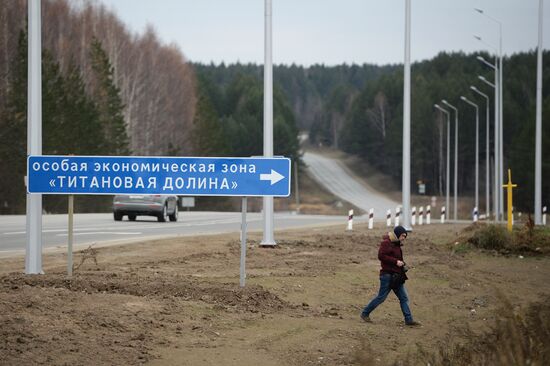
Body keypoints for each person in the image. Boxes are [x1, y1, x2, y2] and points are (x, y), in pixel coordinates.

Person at [360, 225, 421, 326]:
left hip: (397, 277)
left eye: (405, 236)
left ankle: (409, 320)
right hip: (387, 276)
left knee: (404, 298)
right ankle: (365, 313)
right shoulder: (386, 243)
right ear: (397, 234)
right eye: (402, 236)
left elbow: (395, 258)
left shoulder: (397, 244)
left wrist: (402, 264)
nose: (404, 238)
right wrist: (396, 261)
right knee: (381, 298)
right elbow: (381, 256)